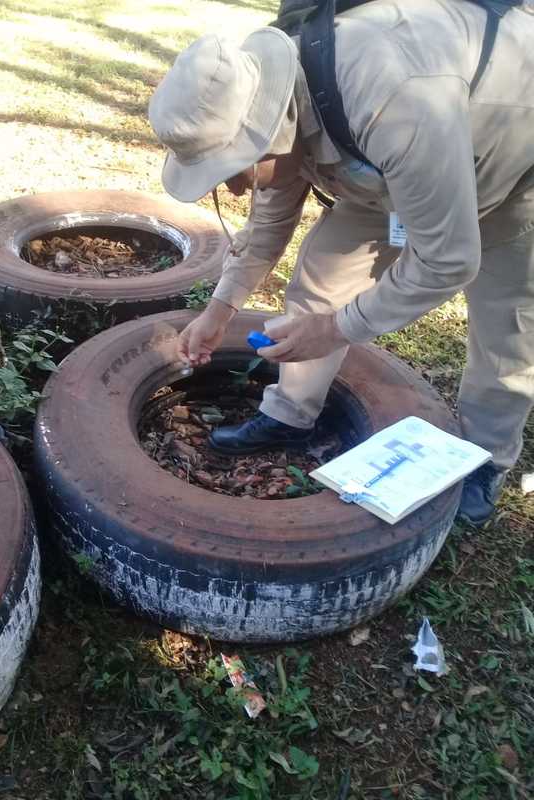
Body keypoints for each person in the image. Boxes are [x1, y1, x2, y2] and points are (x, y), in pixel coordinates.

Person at [148, 0, 534, 525]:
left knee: (506, 326)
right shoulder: (274, 98)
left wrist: (337, 328)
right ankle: (290, 413)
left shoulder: (397, 96)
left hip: (515, 160)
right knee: (324, 270)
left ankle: (483, 460)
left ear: (269, 135)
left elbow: (447, 262)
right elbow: (267, 224)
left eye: (232, 170)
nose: (233, 189)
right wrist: (219, 309)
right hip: (397, 167)